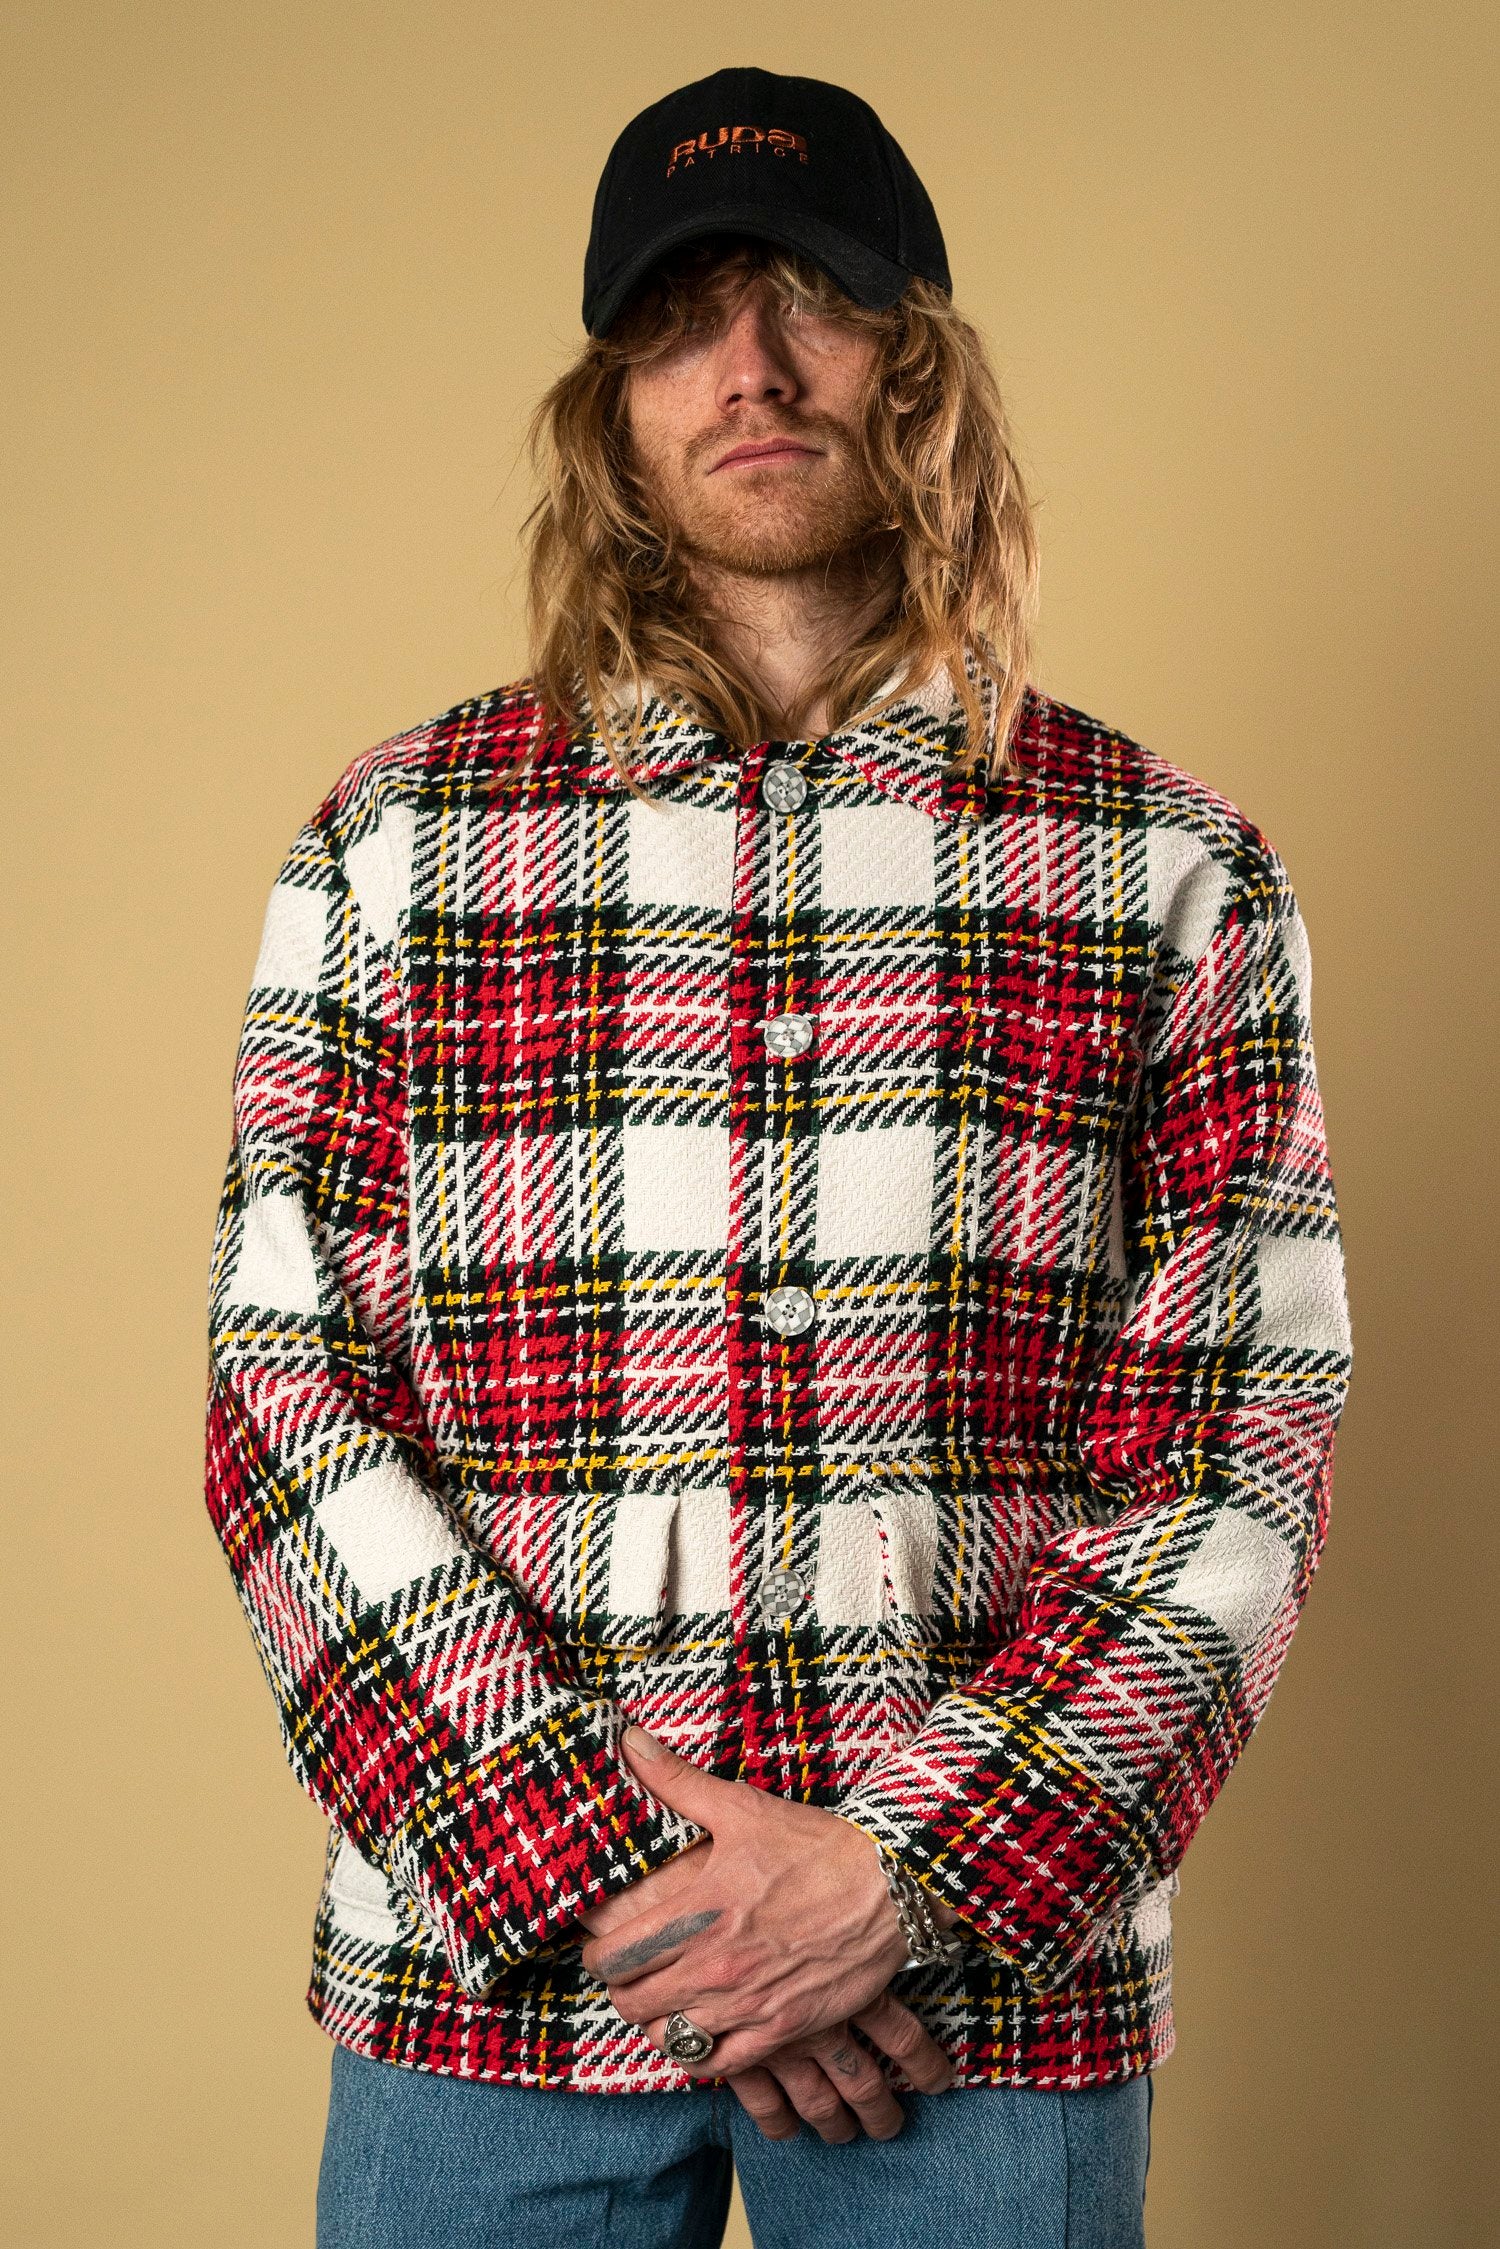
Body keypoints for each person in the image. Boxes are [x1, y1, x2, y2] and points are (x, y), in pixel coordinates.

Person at [203, 65, 1352, 2249]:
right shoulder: (395, 849)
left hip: (982, 2019)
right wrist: (636, 1886)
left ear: (917, 362)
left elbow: (1240, 1439)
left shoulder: (1168, 871)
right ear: (612, 408)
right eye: (680, 316)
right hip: (492, 1987)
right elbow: (284, 1407)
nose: (749, 368)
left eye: (811, 297)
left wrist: (903, 1880)